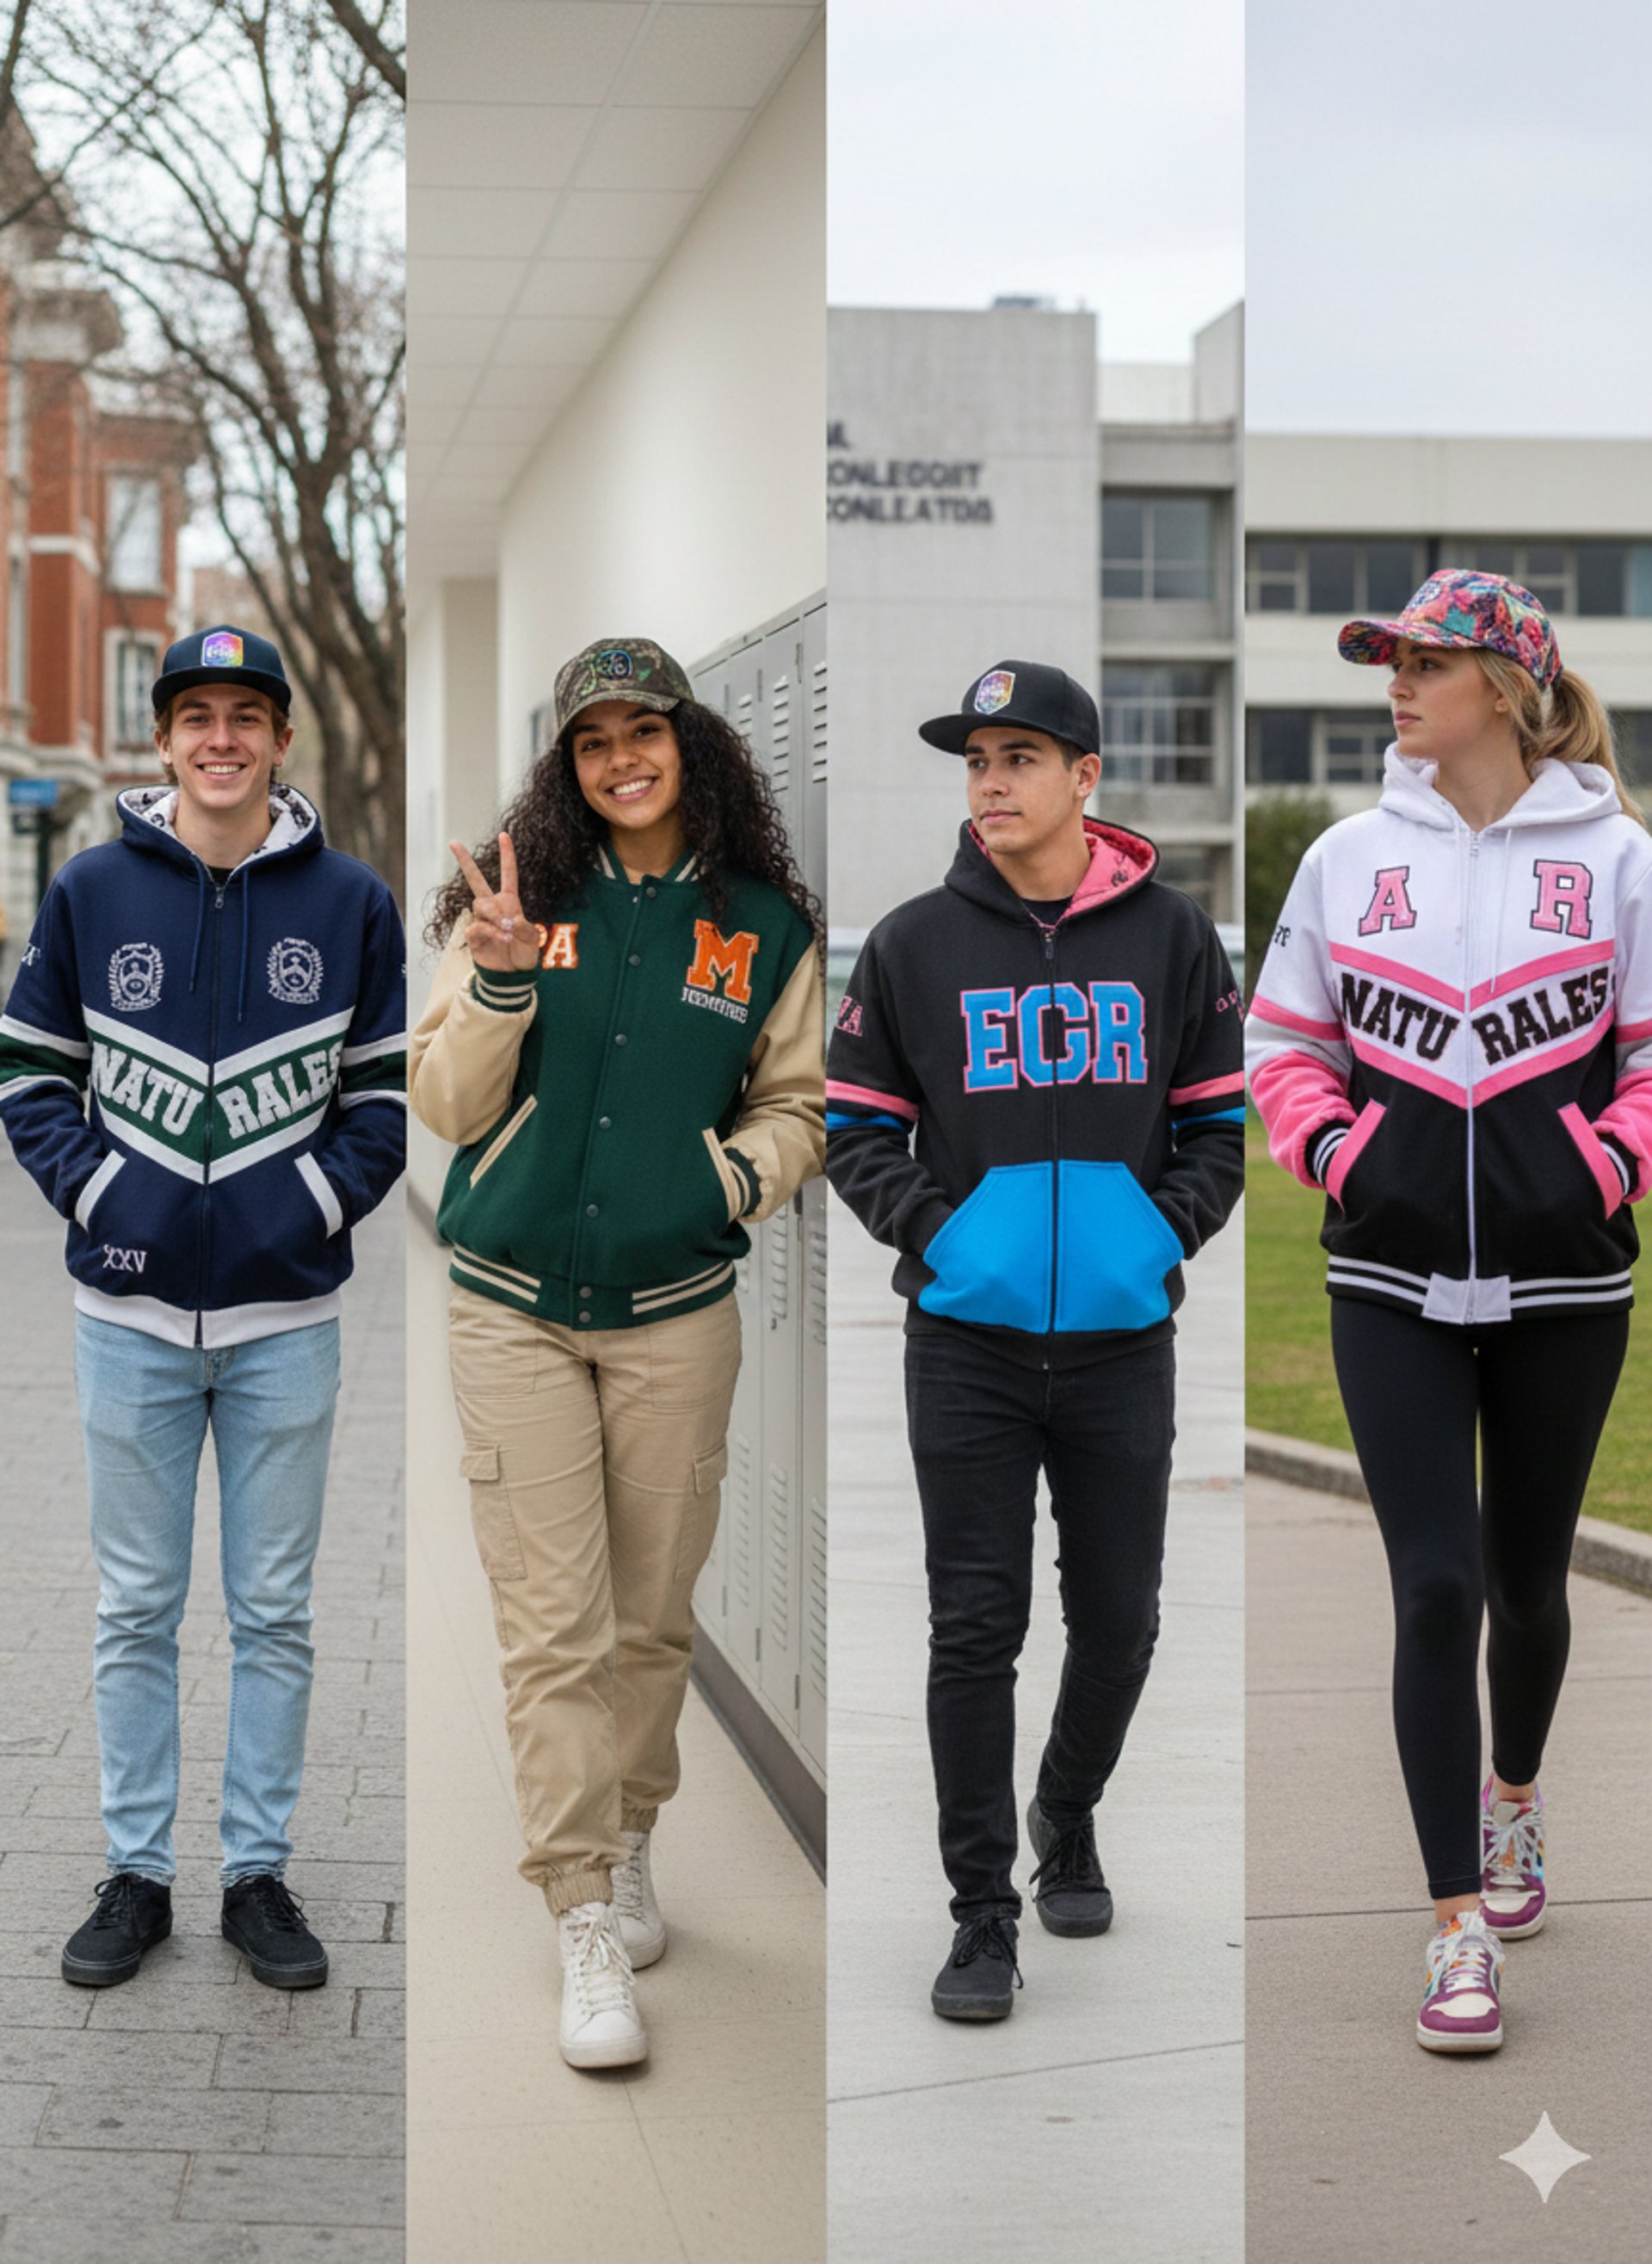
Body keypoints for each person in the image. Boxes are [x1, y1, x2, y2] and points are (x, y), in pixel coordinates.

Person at [1246, 570, 1652, 2053]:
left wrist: (1605, 1166)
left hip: (1566, 1285)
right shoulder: (1350, 858)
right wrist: (1344, 1156)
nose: (1397, 685)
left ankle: (1515, 1799)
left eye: (1426, 662)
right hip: (1389, 1282)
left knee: (1528, 1587)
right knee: (1435, 1590)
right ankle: (1455, 1929)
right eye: (1391, 663)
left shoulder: (1620, 862)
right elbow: (1284, 1042)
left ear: (1507, 686)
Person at [409, 635, 823, 2070]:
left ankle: (631, 1832)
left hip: (674, 1317)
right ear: (568, 767)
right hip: (510, 1307)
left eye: (644, 732)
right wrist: (499, 979)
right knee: (553, 1631)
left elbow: (799, 1107)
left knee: (649, 1622)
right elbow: (445, 1106)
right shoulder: (519, 903)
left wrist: (723, 1183)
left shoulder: (762, 928)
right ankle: (581, 1909)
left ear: (691, 747)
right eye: (592, 742)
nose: (620, 760)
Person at [826, 659, 1244, 2020]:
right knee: (974, 1627)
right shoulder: (911, 945)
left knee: (1120, 1623)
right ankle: (981, 1914)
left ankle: (1066, 1808)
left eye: (1018, 757)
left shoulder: (1175, 940)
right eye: (975, 760)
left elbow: (1218, 1130)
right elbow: (857, 1132)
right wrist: (949, 1241)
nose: (991, 782)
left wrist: (1152, 1239)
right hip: (967, 1348)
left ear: (1084, 777)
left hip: (1122, 1346)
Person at [0, 625, 406, 1991]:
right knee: (134, 1607)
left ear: (280, 739)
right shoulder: (91, 887)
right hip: (126, 1320)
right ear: (164, 737)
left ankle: (256, 1876)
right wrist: (104, 1192)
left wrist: (310, 1207)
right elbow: (29, 1071)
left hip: (286, 1325)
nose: (220, 739)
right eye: (196, 716)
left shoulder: (350, 901)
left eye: (245, 715)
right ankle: (136, 1873)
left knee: (275, 1611)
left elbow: (383, 1099)